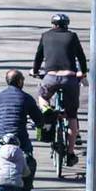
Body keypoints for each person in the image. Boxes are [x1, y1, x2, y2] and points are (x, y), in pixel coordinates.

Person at [33, 13, 89, 148]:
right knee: (72, 117)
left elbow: (38, 56)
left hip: (50, 77)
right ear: (67, 25)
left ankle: (46, 108)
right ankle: (70, 152)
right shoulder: (72, 36)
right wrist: (83, 72)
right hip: (69, 78)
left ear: (53, 24)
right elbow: (81, 56)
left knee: (42, 96)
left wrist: (34, 71)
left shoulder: (45, 35)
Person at [0, 71, 40, 155]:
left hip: (0, 136)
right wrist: (39, 124)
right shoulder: (26, 98)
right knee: (28, 156)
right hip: (19, 136)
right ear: (20, 81)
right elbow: (38, 118)